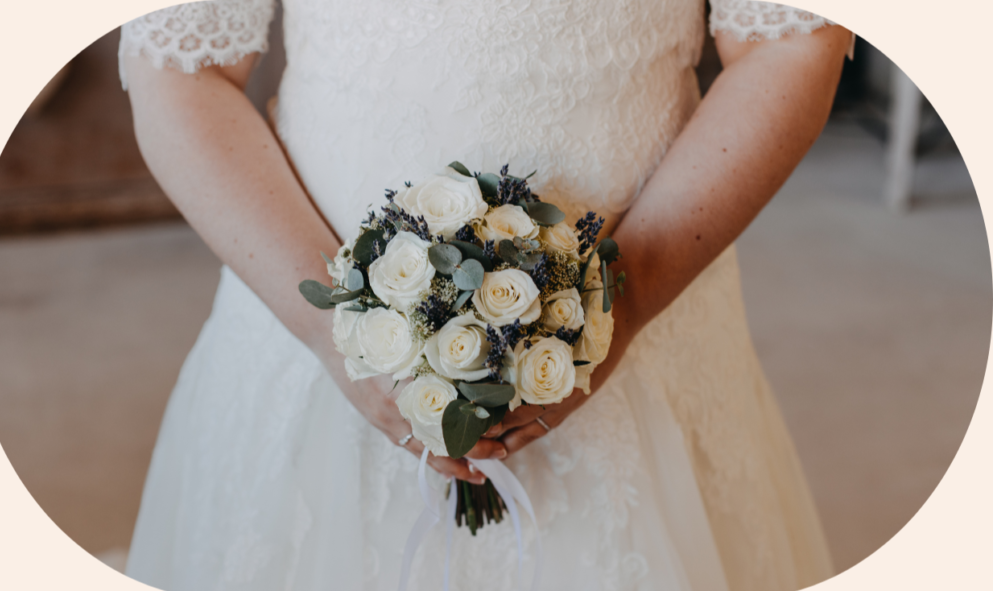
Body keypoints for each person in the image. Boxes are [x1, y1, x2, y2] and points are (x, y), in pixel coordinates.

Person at [119, 1, 852, 589]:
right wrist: (333, 330)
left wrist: (619, 307)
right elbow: (181, 67)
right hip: (304, 307)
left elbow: (793, 38)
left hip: (648, 301)